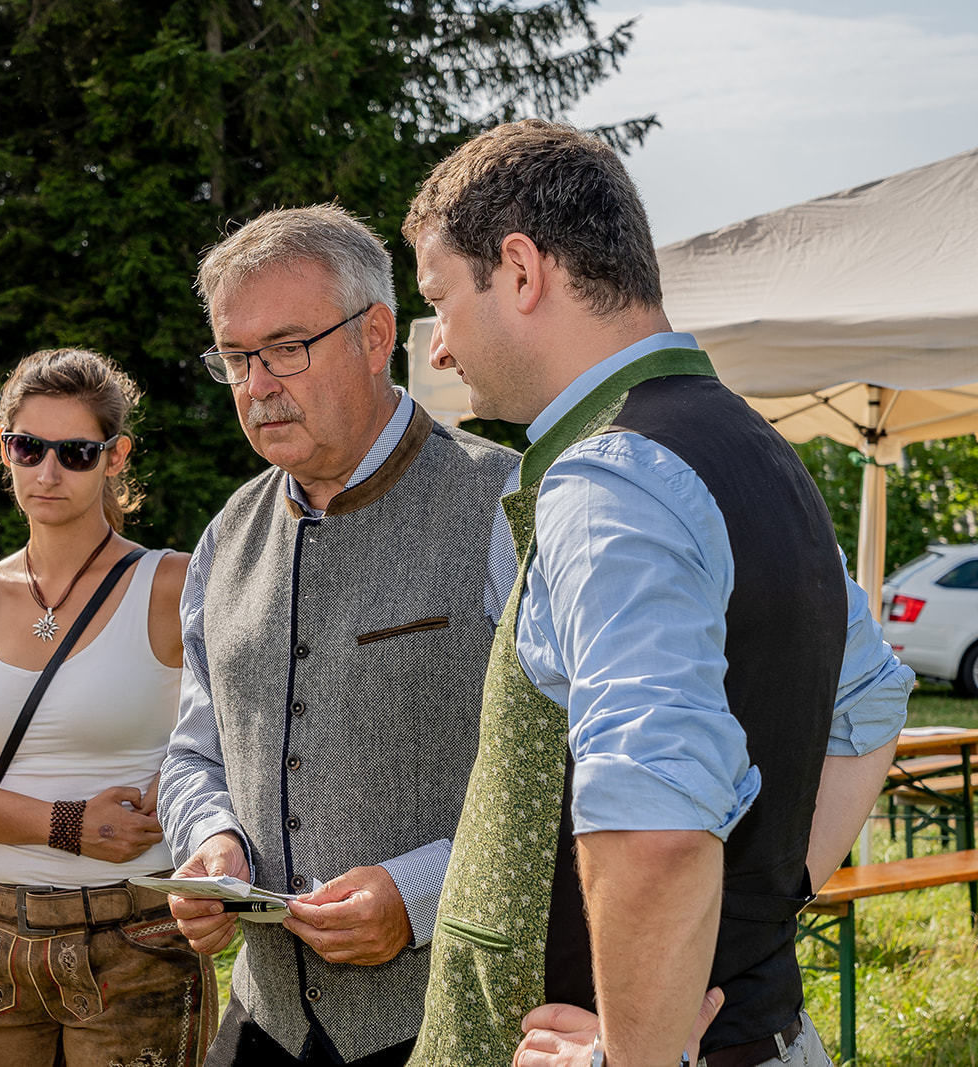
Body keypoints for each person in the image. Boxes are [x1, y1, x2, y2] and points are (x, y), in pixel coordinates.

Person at [401, 119, 913, 1067]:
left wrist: (626, 1055)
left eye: (440, 300)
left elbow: (655, 828)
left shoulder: (616, 476)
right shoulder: (755, 448)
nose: (439, 350)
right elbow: (872, 701)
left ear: (519, 271)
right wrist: (744, 928)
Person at [158, 204, 519, 1067]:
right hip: (265, 1023)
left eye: (285, 347)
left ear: (376, 335)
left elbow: (572, 774)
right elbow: (194, 752)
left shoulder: (504, 506)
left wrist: (422, 892)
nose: (258, 383)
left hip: (452, 1029)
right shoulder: (225, 535)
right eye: (236, 358)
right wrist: (206, 838)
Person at [0, 347, 217, 1066]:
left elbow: (237, 737)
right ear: (4, 450)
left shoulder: (171, 582)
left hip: (136, 933)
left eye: (76, 452)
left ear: (116, 457)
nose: (47, 472)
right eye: (28, 447)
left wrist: (167, 795)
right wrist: (71, 824)